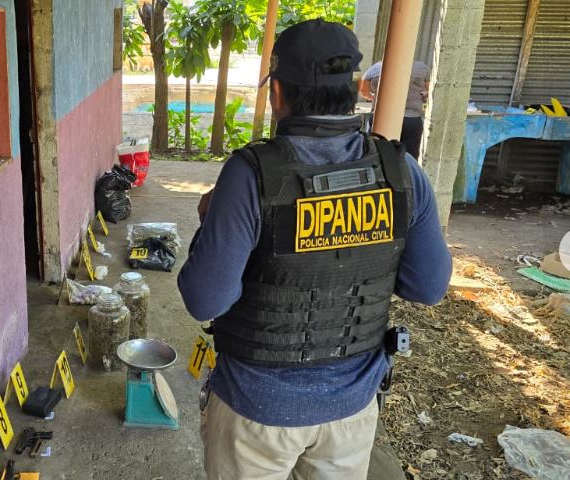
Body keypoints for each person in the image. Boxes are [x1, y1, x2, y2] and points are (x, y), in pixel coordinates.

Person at [178, 19, 452, 480]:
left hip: (256, 410)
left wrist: (210, 221)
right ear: (352, 91)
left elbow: (205, 300)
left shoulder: (250, 176)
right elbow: (428, 287)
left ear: (278, 93)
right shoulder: (401, 171)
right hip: (352, 408)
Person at [359, 60, 431, 159]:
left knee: (377, 155)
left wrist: (374, 98)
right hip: (411, 120)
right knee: (409, 157)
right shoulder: (421, 68)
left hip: (381, 118)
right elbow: (429, 89)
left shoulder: (376, 68)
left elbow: (363, 90)